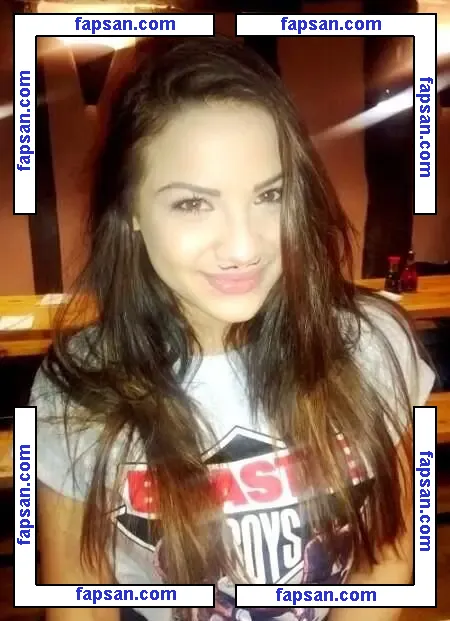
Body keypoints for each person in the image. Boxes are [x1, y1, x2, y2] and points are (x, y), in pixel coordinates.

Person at [33, 35, 436, 621]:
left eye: (269, 194)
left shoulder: (375, 344)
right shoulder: (73, 387)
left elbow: (396, 548)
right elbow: (77, 600)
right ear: (132, 211)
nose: (245, 247)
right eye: (193, 204)